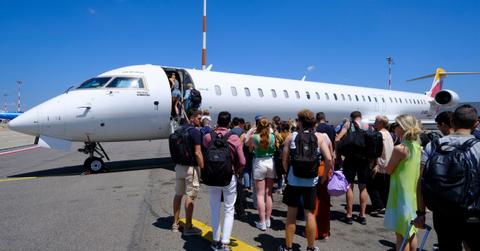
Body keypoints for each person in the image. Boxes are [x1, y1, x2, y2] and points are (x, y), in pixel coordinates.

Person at [415, 104, 480, 251]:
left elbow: (421, 181)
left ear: (453, 122)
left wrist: (421, 213)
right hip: (472, 214)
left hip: (442, 211)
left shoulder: (433, 145)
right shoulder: (478, 147)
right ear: (476, 123)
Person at [278, 109, 333, 251]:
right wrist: (324, 176)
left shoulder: (291, 137)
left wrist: (286, 173)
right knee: (310, 214)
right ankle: (311, 247)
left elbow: (284, 160)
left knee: (291, 215)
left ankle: (288, 247)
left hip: (293, 181)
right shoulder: (319, 137)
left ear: (300, 122)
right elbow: (328, 159)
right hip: (311, 181)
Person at [203, 111, 246, 251]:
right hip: (229, 176)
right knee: (229, 209)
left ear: (217, 121)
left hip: (212, 177)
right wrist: (238, 171)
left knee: (215, 208)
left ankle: (215, 240)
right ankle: (225, 242)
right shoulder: (234, 138)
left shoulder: (208, 137)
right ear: (229, 123)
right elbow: (242, 161)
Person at [384, 114, 422, 251]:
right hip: (412, 195)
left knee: (401, 235)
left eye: (397, 125)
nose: (395, 128)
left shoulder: (400, 148)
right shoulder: (417, 147)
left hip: (400, 195)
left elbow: (388, 170)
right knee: (411, 233)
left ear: (403, 128)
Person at [171, 109, 204, 236]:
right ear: (191, 118)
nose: (200, 120)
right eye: (198, 118)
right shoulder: (195, 132)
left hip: (179, 167)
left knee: (178, 195)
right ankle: (188, 227)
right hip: (190, 168)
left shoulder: (178, 130)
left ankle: (175, 223)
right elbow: (197, 152)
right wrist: (203, 167)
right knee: (190, 195)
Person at [335, 111, 370, 225]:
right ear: (361, 117)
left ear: (351, 117)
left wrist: (339, 155)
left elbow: (337, 139)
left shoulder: (348, 124)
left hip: (350, 159)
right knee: (363, 187)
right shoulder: (367, 125)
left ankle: (349, 215)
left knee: (349, 186)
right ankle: (362, 215)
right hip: (364, 159)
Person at [248, 118, 276, 230]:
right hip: (270, 162)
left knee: (260, 194)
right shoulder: (272, 136)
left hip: (259, 162)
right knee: (268, 194)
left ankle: (262, 221)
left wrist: (251, 130)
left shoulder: (254, 137)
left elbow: (247, 144)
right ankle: (268, 219)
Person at [368, 115, 394, 216]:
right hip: (388, 164)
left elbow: (376, 151)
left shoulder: (378, 134)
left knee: (372, 185)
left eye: (376, 121)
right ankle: (384, 205)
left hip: (380, 164)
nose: (374, 123)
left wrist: (374, 164)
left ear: (381, 123)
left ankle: (379, 206)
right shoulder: (388, 134)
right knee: (384, 187)